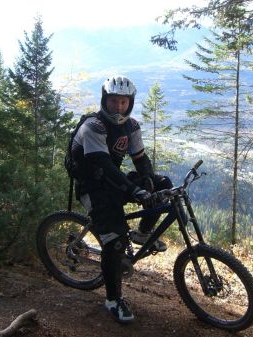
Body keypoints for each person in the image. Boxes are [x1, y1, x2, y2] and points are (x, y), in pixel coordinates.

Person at [71, 75, 172, 323]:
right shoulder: (94, 126)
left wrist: (147, 180)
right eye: (114, 101)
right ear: (105, 100)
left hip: (113, 181)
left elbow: (139, 158)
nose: (119, 107)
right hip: (92, 187)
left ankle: (142, 233)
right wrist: (134, 191)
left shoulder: (132, 126)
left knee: (163, 186)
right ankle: (113, 300)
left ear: (131, 102)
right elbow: (104, 165)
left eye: (124, 102)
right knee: (114, 243)